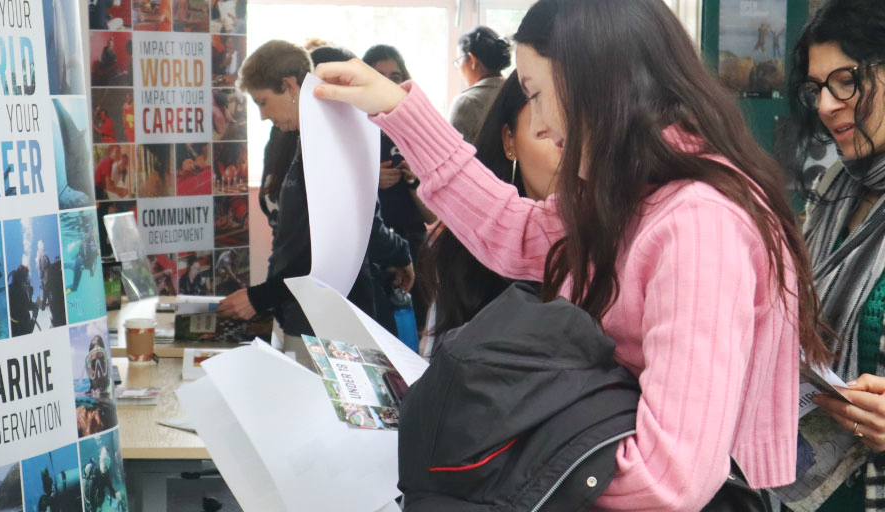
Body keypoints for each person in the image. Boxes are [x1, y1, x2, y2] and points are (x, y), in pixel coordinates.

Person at [313, 0, 832, 507]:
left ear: (596, 84)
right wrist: (398, 110)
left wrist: (504, 462)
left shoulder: (698, 222)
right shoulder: (629, 193)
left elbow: (667, 478)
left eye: (537, 94)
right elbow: (513, 229)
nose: (538, 123)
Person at [219, 41, 413, 363]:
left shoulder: (331, 143)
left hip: (336, 321)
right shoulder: (296, 140)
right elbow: (292, 240)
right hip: (304, 313)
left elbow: (332, 246)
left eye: (264, 102)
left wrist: (260, 296)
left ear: (290, 85)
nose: (263, 115)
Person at [790, 1, 885, 508]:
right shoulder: (832, 189)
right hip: (807, 484)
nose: (827, 105)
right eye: (816, 88)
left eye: (845, 80)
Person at [422, 71, 559, 346]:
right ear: (510, 140)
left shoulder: (613, 243)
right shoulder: (465, 250)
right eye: (547, 130)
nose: (567, 147)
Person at [363, 44, 437, 334]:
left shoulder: (415, 131)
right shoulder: (353, 128)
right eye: (378, 75)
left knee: (412, 332)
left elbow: (431, 217)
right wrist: (368, 178)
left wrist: (415, 181)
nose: (387, 83)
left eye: (395, 76)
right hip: (371, 247)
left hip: (413, 245)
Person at [449, 26, 511, 143]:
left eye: (459, 61)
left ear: (472, 60)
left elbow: (450, 157)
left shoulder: (466, 103)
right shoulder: (519, 93)